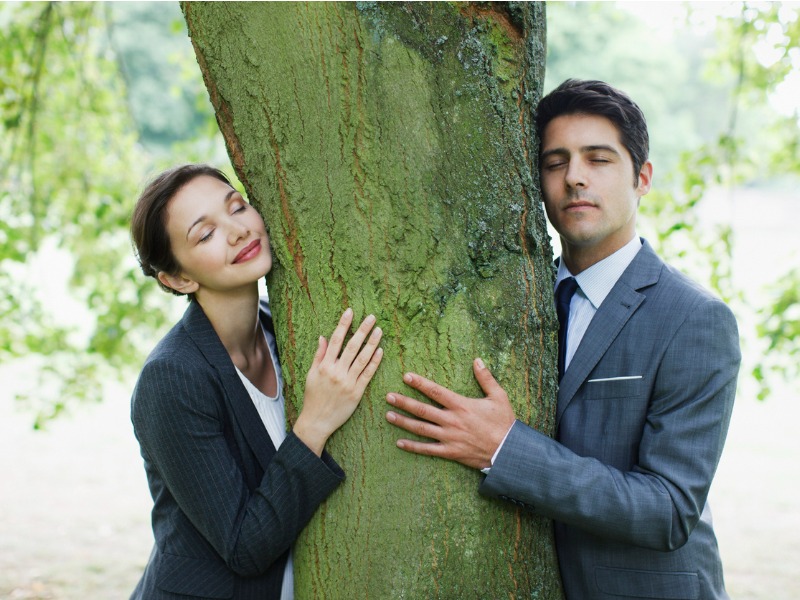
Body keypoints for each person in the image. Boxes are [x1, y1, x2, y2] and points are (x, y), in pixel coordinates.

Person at [384, 79, 740, 599]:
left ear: (642, 177)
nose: (574, 178)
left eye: (598, 159)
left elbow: (669, 510)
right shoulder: (516, 306)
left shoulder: (694, 318)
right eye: (556, 162)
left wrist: (504, 449)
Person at [129, 164, 384, 599]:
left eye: (237, 207)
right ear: (179, 278)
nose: (238, 232)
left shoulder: (282, 327)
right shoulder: (172, 379)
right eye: (205, 234)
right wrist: (315, 424)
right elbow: (244, 547)